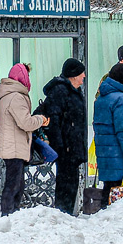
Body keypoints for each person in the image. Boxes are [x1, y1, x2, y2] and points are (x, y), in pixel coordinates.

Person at [36, 58, 89, 215]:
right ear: (73, 75)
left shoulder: (73, 91)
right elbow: (55, 120)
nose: (84, 76)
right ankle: (63, 214)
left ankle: (67, 213)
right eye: (81, 73)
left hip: (72, 147)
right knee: (65, 183)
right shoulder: (60, 91)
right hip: (66, 148)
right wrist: (60, 146)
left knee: (71, 182)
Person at [0, 63, 48, 215]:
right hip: (14, 148)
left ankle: (11, 213)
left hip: (13, 146)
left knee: (16, 183)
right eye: (28, 76)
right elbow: (26, 123)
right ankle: (8, 214)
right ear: (22, 78)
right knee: (14, 185)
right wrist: (40, 119)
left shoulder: (9, 95)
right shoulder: (16, 97)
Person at [91, 63, 123, 210]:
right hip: (120, 157)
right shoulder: (122, 100)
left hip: (106, 156)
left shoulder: (102, 98)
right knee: (121, 201)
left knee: (109, 193)